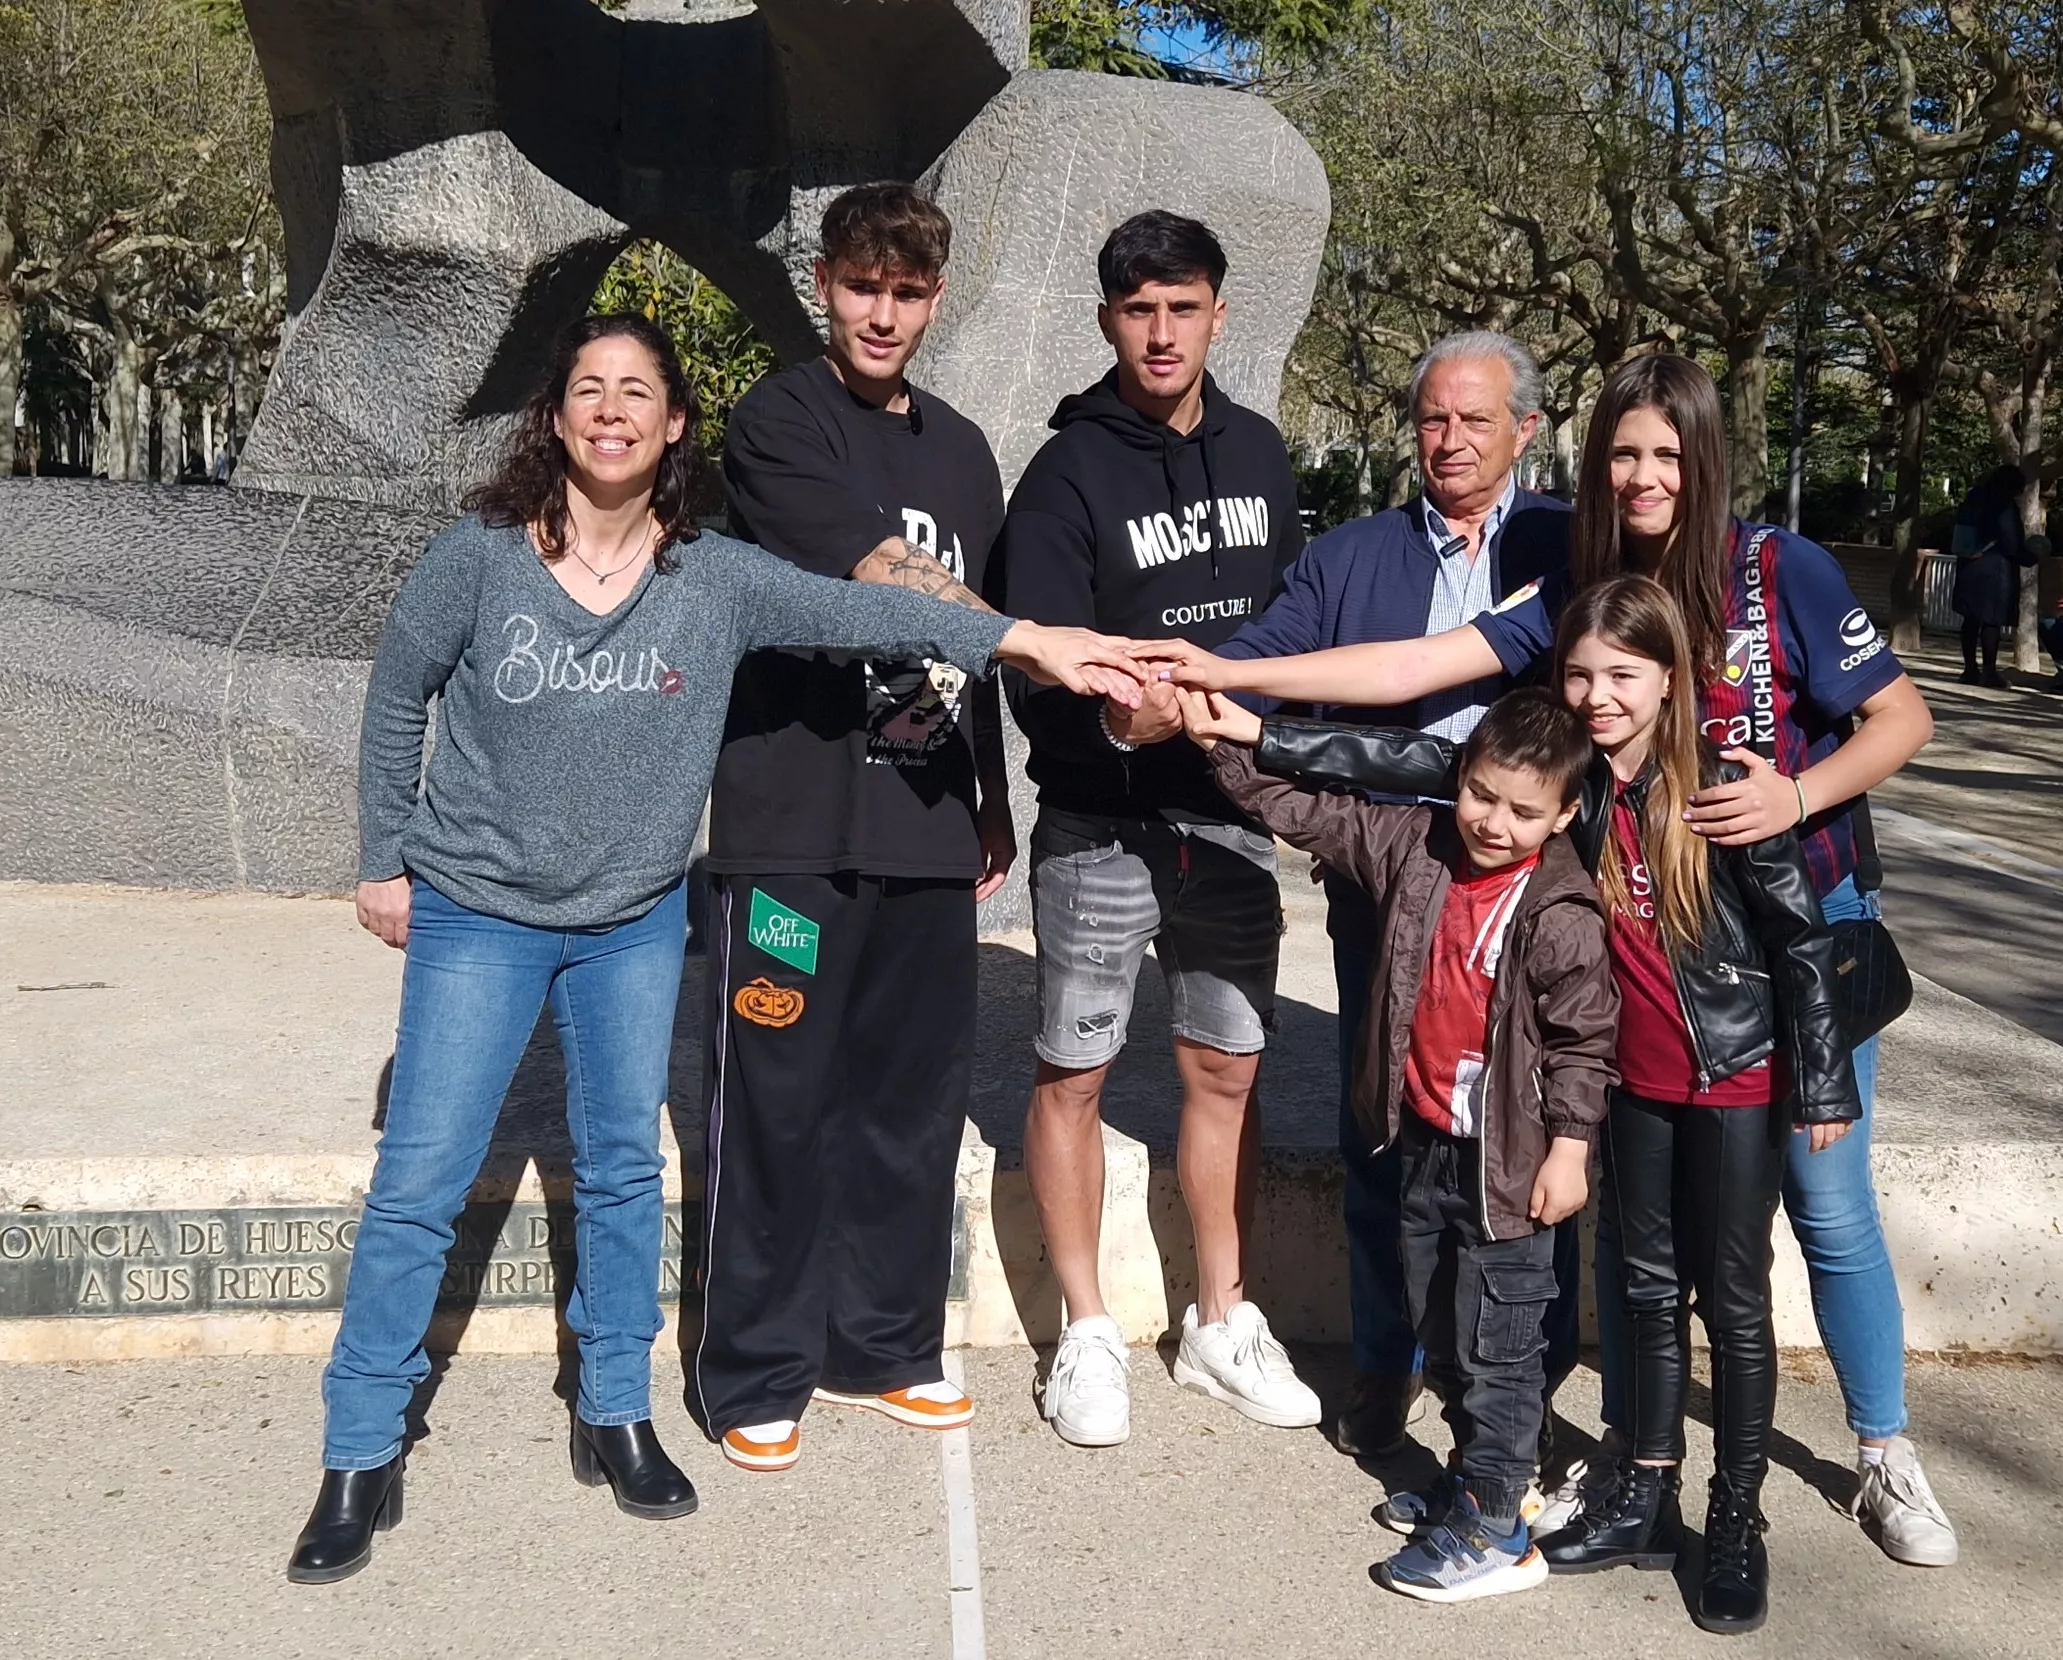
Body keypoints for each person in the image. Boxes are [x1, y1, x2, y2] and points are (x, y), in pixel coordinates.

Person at [291, 314, 1143, 1585]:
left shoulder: (718, 576)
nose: (613, 409)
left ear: (675, 424)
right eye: (590, 389)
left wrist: (1033, 643)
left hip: (633, 918)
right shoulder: (475, 556)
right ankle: (360, 1450)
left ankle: (617, 1414)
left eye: (639, 391)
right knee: (420, 1176)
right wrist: (381, 855)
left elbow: (867, 609)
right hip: (479, 909)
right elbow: (398, 688)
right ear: (558, 417)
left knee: (627, 1170)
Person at [1142, 351, 1960, 1573]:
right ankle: (1638, 1461)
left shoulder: (1780, 568)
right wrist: (1232, 674)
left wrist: (1796, 794)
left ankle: (1884, 1452)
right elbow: (1418, 673)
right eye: (1622, 453)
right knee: (1638, 1221)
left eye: (1666, 454)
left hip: (1794, 922)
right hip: (1642, 930)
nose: (1642, 475)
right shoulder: (1582, 586)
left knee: (1823, 1198)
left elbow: (1904, 718)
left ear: (1705, 457)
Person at [1207, 579, 1862, 1634]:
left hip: (1730, 1069)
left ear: (1669, 680)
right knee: (1646, 1290)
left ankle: (1734, 1521)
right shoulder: (1574, 782)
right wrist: (1245, 727)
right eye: (1580, 673)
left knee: (1730, 1301)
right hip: (1633, 1081)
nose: (1599, 694)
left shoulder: (1725, 782)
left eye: (1623, 675)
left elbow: (1798, 935)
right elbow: (1402, 770)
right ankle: (1634, 1489)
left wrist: (1822, 1076)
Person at [691, 182, 1010, 1473]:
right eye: (863, 286)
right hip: (791, 828)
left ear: (934, 301)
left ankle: (882, 1345)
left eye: (908, 291)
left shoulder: (965, 450)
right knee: (775, 1099)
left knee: (906, 1100)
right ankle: (755, 1367)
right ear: (824, 284)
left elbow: (977, 648)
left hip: (926, 825)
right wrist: (1016, 633)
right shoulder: (778, 420)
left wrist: (991, 796)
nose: (882, 313)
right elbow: (878, 580)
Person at [1211, 328, 1575, 1460]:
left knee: (1525, 1134)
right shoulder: (1352, 555)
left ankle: (1513, 1381)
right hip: (1394, 874)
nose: (1450, 440)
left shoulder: (1573, 543)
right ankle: (1385, 1362)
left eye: (1476, 419)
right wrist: (1190, 679)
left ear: (1526, 430)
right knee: (1381, 1126)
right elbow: (1267, 648)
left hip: (1539, 894)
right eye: (1432, 418)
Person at [985, 209, 1314, 1448]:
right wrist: (1138, 722)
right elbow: (1040, 663)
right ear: (1108, 319)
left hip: (1230, 821)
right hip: (1104, 823)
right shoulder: (1068, 473)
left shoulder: (1265, 454)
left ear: (1220, 313)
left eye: (1184, 306)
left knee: (1224, 1066)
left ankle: (1219, 1319)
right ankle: (1084, 1330)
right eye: (1139, 309)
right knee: (1073, 1070)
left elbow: (1287, 636)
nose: (1162, 331)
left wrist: (1245, 722)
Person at [1183, 685, 1617, 1604]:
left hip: (1509, 1171)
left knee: (1502, 1347)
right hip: (1423, 1146)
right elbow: (1304, 811)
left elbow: (1585, 1043)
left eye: (1524, 810)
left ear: (1566, 814)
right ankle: (1467, 1485)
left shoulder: (1561, 910)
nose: (1495, 823)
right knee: (1447, 1332)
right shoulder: (1415, 850)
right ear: (1459, 778)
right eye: (1483, 796)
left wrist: (1570, 1151)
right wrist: (1221, 741)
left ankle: (1497, 1527)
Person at [1947, 464, 2040, 689]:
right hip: (1994, 569)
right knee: (1991, 620)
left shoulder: (1973, 497)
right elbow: (2010, 541)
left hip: (1969, 563)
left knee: (1970, 618)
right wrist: (2029, 556)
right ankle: (1989, 671)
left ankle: (1970, 668)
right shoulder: (2003, 504)